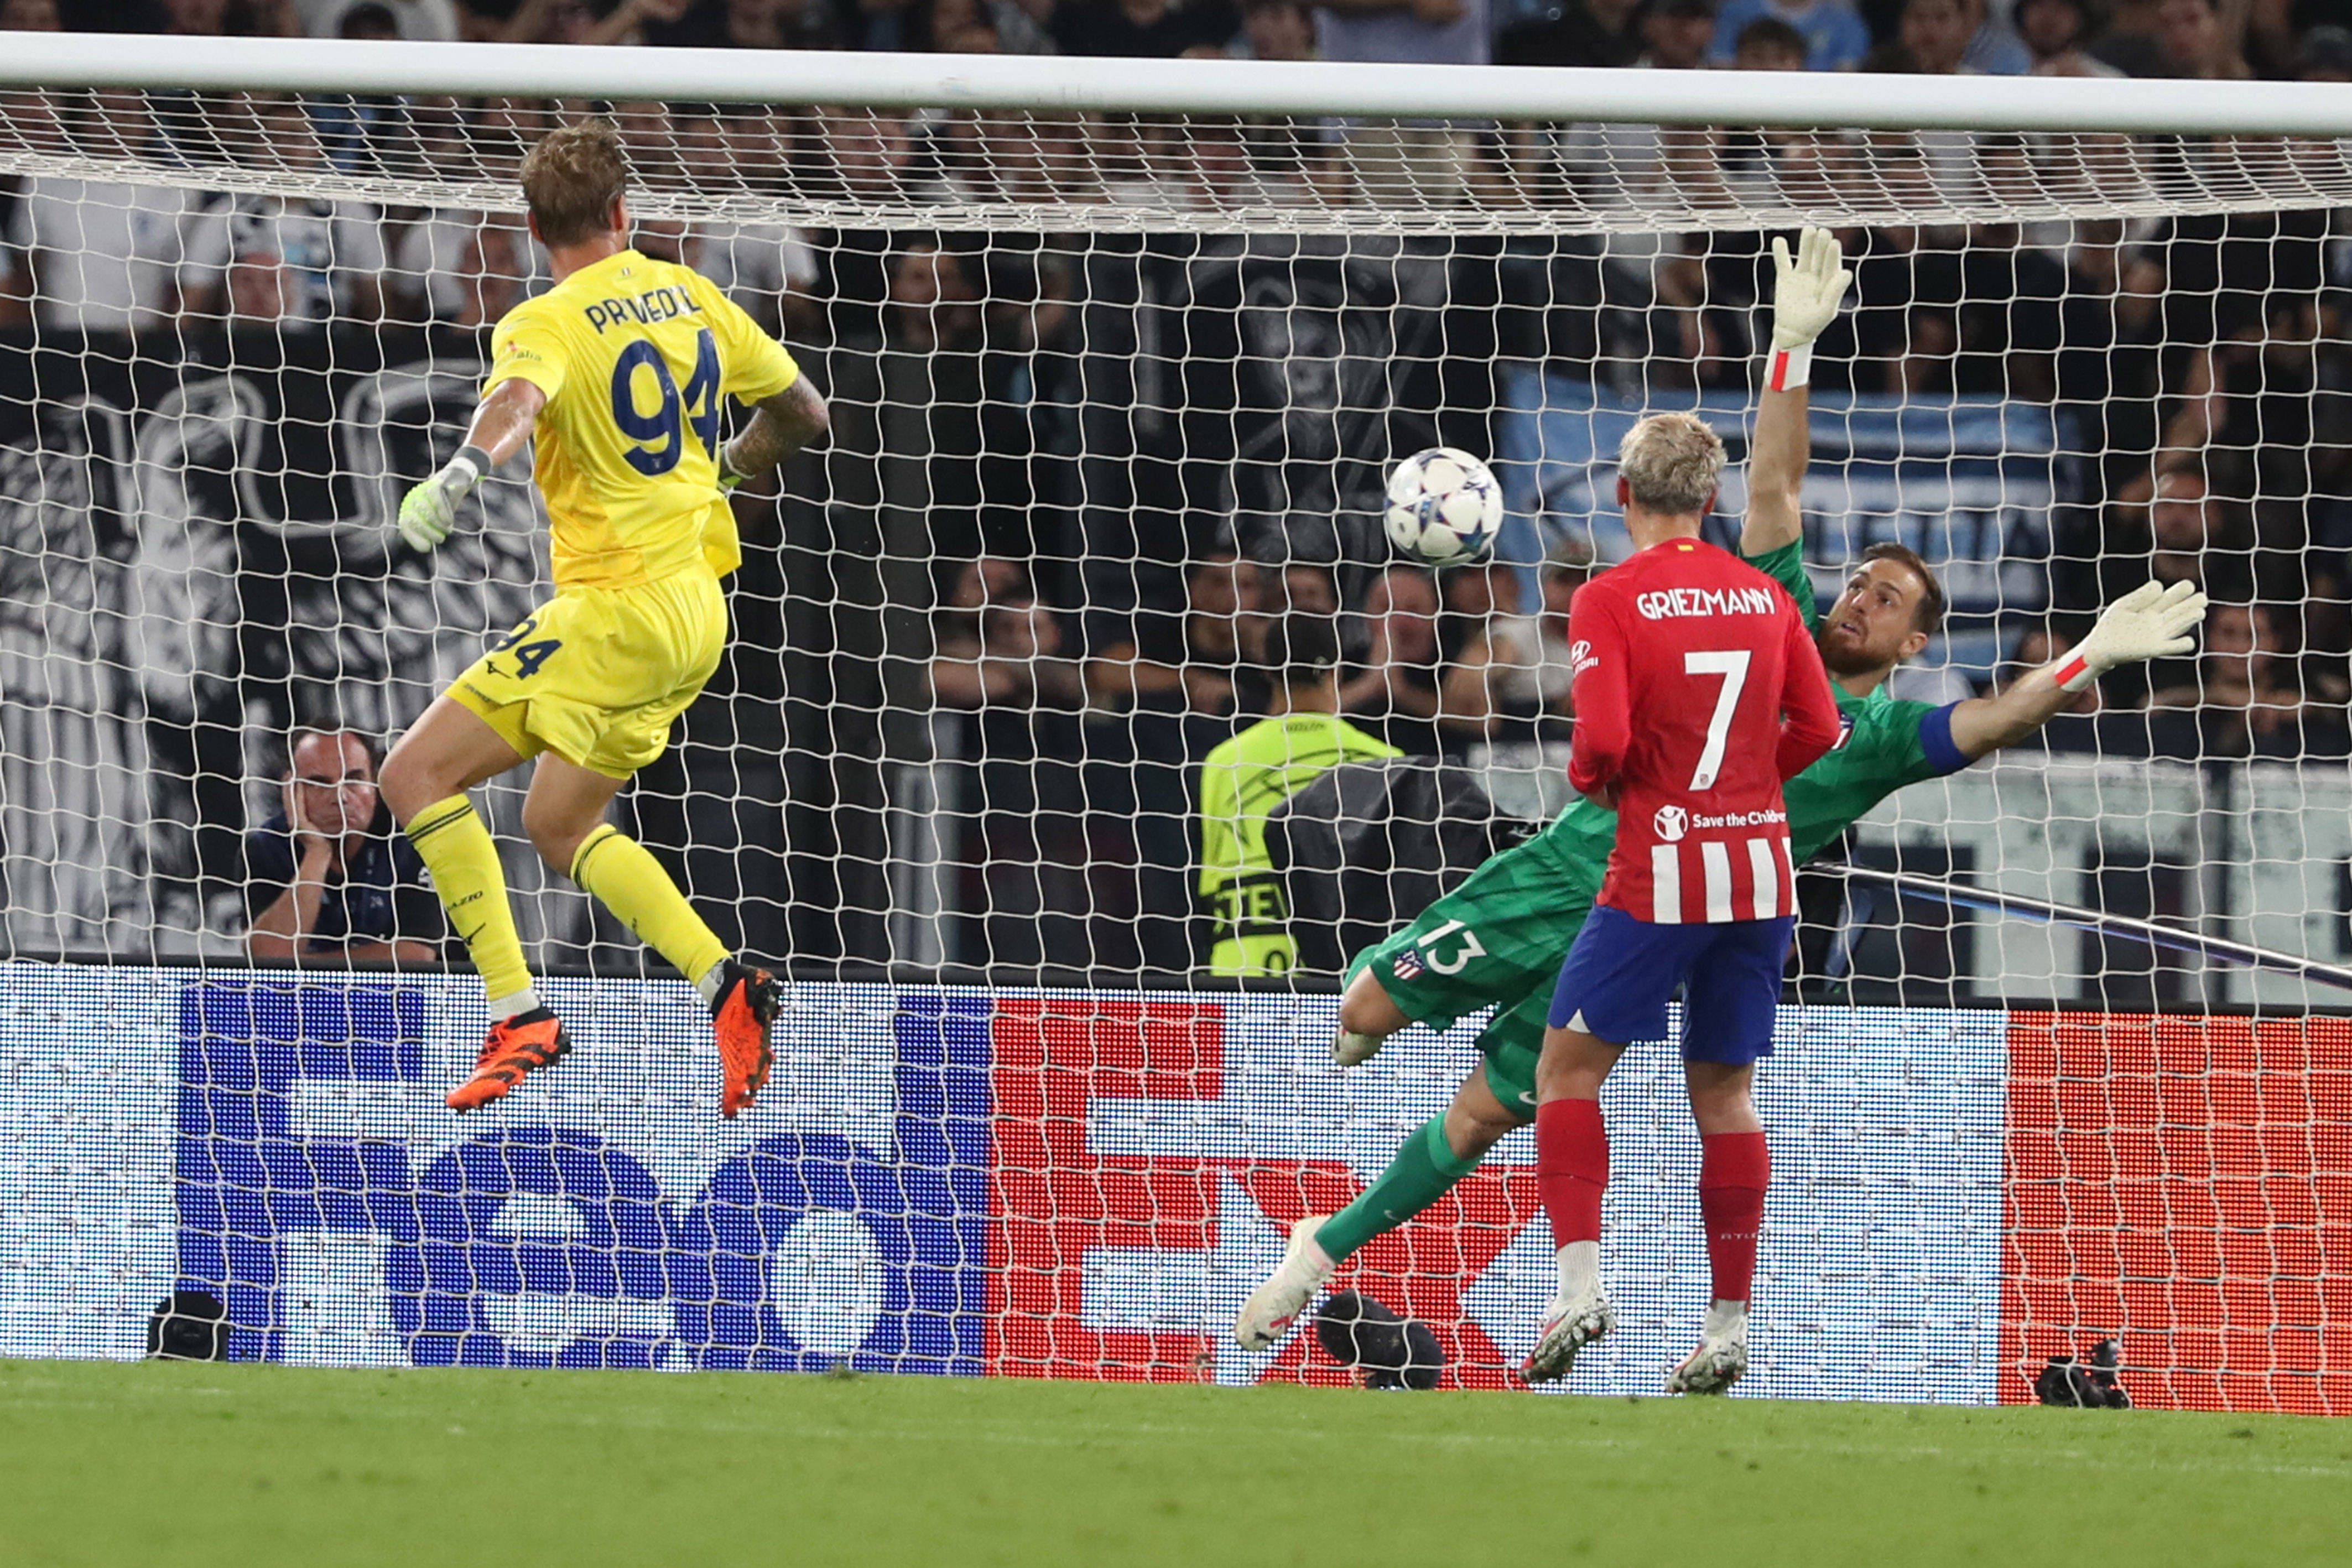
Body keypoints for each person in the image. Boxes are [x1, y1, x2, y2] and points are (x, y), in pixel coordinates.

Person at [1232, 228, 2209, 1382]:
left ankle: (1341, 1246)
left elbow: (1992, 723)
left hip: (1675, 899)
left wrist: (2086, 654)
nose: (1857, 598)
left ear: (1915, 642)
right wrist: (1788, 349)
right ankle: (1383, 1239)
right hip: (1577, 866)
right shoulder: (1772, 610)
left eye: (1885, 598)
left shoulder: (1888, 737)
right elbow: (1773, 482)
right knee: (1364, 1014)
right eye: (1858, 581)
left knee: (1505, 1105)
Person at [380, 119, 830, 1118]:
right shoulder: (698, 295)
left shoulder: (548, 315)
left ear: (534, 227)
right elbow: (806, 412)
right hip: (699, 611)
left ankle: (518, 1011)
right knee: (558, 820)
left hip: (615, 610)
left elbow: (519, 396)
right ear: (625, 213)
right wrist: (727, 467)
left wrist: (460, 473)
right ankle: (728, 985)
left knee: (412, 773)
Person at [1198, 612, 1401, 975]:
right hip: (1355, 979)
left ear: (1268, 669)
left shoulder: (1224, 761)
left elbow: (1210, 881)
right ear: (1335, 671)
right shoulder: (1388, 763)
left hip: (1246, 972)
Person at [244, 727, 443, 966]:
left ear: (375, 782)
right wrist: (317, 853)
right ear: (292, 790)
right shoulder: (266, 847)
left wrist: (303, 965)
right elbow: (269, 960)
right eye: (319, 783)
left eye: (354, 779)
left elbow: (416, 956)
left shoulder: (412, 837)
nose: (341, 797)